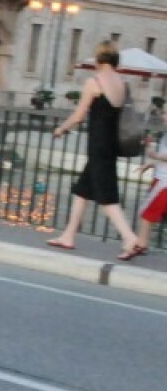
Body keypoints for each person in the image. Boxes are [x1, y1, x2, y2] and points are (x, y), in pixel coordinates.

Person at [48, 41, 143, 260]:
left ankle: (130, 238)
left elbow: (79, 115)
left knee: (107, 197)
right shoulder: (123, 83)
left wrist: (61, 128)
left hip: (98, 145)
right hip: (111, 145)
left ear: (99, 60)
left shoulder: (95, 82)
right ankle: (69, 235)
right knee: (83, 190)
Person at [131, 128, 166, 256]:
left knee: (147, 212)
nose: (164, 116)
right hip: (161, 178)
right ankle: (142, 243)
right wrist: (151, 163)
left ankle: (141, 244)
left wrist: (154, 156)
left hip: (164, 181)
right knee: (149, 212)